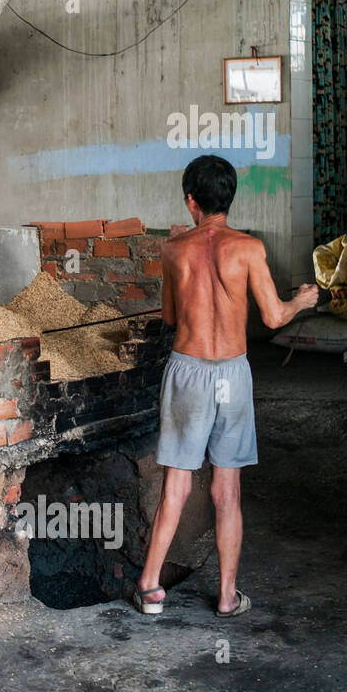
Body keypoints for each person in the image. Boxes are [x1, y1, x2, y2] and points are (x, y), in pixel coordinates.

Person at [133, 154, 318, 618]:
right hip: (231, 375)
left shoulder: (173, 249)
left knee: (176, 485)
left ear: (191, 201)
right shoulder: (249, 248)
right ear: (228, 199)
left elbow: (170, 319)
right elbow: (274, 317)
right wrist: (301, 302)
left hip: (188, 369)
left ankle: (151, 587)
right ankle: (226, 597)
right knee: (226, 491)